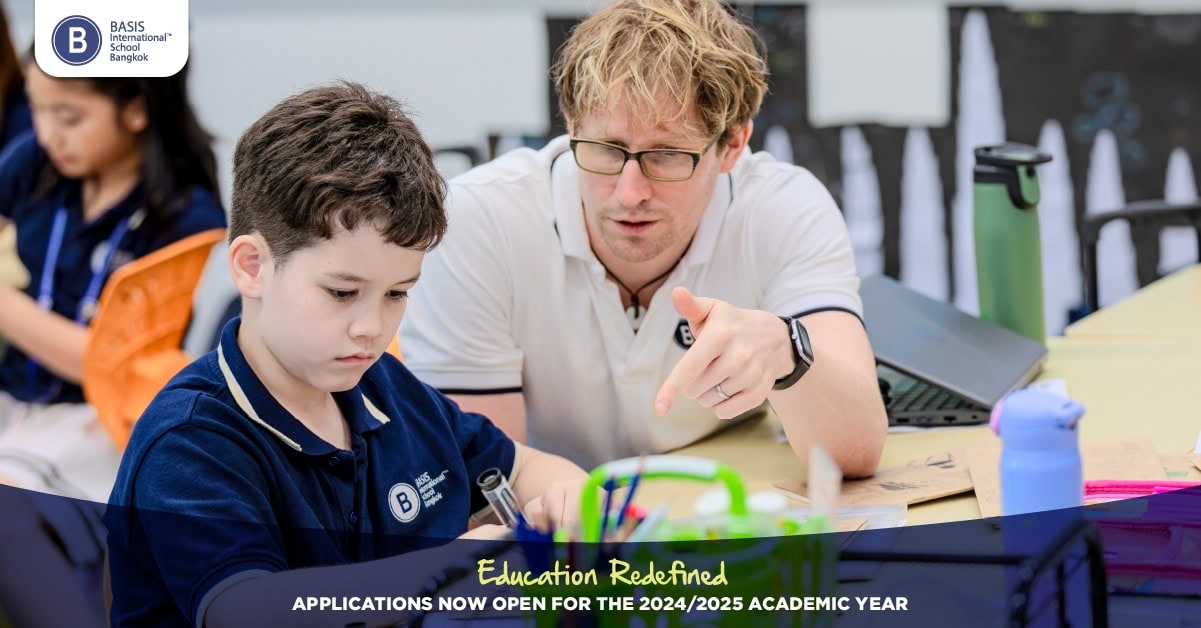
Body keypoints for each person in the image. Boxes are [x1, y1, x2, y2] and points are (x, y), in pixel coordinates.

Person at [105, 82, 588, 628]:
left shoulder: (384, 388)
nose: (372, 328)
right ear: (252, 267)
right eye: (341, 293)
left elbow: (522, 466)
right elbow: (246, 609)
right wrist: (450, 567)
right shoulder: (191, 442)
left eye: (397, 294)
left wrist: (569, 497)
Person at [401, 0, 887, 476]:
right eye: (607, 150)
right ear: (571, 125)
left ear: (732, 145)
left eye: (668, 155)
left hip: (721, 512)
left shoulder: (783, 209)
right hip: (560, 528)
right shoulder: (481, 219)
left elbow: (857, 450)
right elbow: (486, 485)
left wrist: (787, 351)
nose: (631, 193)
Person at [0, 61, 226, 502]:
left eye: (69, 117)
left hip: (95, 422)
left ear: (136, 108)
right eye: (36, 109)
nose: (48, 135)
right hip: (12, 401)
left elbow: (108, 365)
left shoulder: (186, 215)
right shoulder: (33, 163)